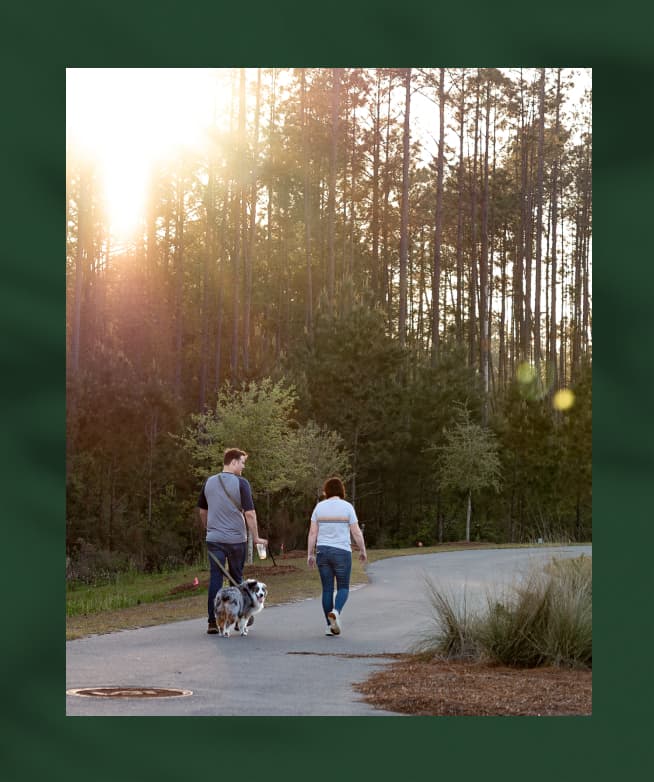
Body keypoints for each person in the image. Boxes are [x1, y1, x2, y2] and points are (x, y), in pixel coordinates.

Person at [197, 448, 267, 635]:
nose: (243, 466)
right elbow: (250, 513)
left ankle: (213, 621)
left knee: (216, 579)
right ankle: (240, 619)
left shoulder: (209, 482)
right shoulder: (241, 483)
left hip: (214, 539)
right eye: (242, 462)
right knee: (237, 578)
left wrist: (208, 528)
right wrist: (257, 536)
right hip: (236, 539)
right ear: (234, 462)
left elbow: (202, 511)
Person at [307, 477, 367, 636]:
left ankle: (329, 626)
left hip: (323, 551)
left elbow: (313, 533)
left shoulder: (319, 507)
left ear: (326, 491)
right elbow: (356, 532)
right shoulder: (347, 507)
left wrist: (310, 554)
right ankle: (336, 611)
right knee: (343, 587)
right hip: (341, 552)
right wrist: (362, 550)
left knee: (327, 589)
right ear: (341, 490)